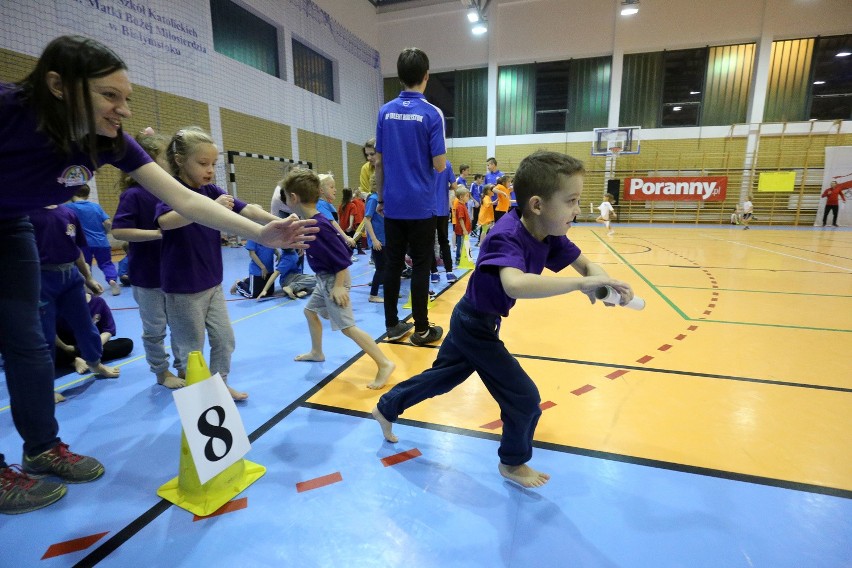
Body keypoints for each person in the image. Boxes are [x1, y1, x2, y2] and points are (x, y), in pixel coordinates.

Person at [0, 35, 315, 515]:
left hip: (9, 223)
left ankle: (41, 448)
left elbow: (188, 201)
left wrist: (262, 233)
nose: (123, 110)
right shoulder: (8, 112)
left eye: (126, 98)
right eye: (110, 96)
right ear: (58, 86)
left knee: (29, 345)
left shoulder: (108, 141)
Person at [371, 150, 634, 488]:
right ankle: (512, 462)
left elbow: (585, 265)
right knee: (524, 399)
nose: (578, 210)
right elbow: (515, 283)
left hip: (477, 319)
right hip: (473, 323)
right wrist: (581, 285)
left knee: (442, 379)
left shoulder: (547, 234)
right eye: (571, 201)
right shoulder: (506, 234)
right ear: (537, 205)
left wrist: (604, 285)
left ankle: (386, 407)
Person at [158, 126, 291, 401]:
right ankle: (195, 391)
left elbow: (248, 209)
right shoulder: (172, 190)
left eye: (214, 164)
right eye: (203, 163)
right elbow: (165, 222)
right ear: (181, 161)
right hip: (183, 286)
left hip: (211, 282)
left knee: (224, 338)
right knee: (190, 347)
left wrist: (275, 221)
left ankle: (220, 383)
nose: (209, 170)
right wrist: (212, 207)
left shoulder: (211, 190)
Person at [283, 169, 396, 390]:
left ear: (294, 198)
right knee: (309, 312)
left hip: (334, 279)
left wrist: (337, 287)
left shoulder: (320, 224)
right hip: (324, 279)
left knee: (348, 327)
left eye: (286, 197)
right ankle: (317, 352)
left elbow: (344, 257)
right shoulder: (310, 221)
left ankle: (384, 363)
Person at [375, 47, 447, 346]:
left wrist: (381, 198)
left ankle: (392, 326)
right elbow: (440, 164)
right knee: (420, 264)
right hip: (421, 206)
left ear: (400, 77)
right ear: (426, 77)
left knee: (392, 264)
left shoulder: (384, 111)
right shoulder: (432, 113)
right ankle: (420, 330)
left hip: (392, 204)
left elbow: (378, 161)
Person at [111, 128, 184, 390]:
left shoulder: (174, 192)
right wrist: (158, 234)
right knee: (155, 328)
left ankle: (182, 366)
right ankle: (161, 372)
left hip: (176, 274)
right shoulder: (134, 194)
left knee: (179, 325)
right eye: (167, 157)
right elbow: (119, 230)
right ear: (151, 160)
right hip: (148, 275)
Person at [29, 204, 121, 380]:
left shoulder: (68, 213)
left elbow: (77, 248)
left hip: (71, 276)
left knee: (85, 325)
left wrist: (88, 278)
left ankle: (95, 363)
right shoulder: (27, 213)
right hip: (41, 277)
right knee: (45, 333)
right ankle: (46, 383)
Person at [55, 292, 134, 377]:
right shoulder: (57, 305)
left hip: (89, 343)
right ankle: (74, 360)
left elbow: (107, 330)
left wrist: (93, 347)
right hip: (65, 345)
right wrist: (69, 353)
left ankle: (82, 356)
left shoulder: (98, 302)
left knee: (126, 344)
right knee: (48, 351)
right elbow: (50, 335)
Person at [66, 184, 121, 295]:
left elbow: (69, 227)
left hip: (82, 243)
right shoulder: (96, 206)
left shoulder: (68, 208)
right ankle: (112, 281)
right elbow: (108, 222)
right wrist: (104, 232)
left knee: (85, 265)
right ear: (87, 194)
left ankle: (89, 288)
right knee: (106, 263)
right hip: (101, 242)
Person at [432, 158, 457, 284]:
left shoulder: (423, 160)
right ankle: (449, 272)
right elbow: (454, 185)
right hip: (442, 208)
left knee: (429, 242)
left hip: (427, 209)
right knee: (443, 241)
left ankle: (434, 273)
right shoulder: (446, 163)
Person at [364, 174, 387, 303]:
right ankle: (373, 295)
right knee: (380, 268)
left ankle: (388, 289)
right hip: (378, 240)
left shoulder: (381, 199)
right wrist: (374, 239)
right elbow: (367, 220)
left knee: (387, 266)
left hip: (385, 239)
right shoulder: (373, 199)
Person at [453, 187, 472, 265]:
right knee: (460, 244)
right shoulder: (460, 206)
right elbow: (461, 219)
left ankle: (466, 257)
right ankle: (458, 258)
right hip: (461, 230)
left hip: (464, 230)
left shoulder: (463, 205)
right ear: (461, 197)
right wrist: (464, 229)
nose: (468, 197)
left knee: (464, 243)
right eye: (467, 196)